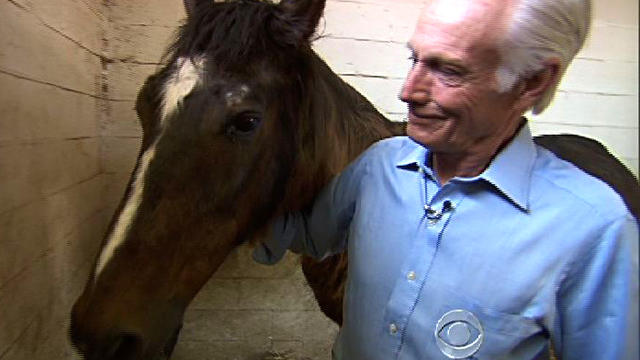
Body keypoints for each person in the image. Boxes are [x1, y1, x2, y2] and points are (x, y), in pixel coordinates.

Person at [254, 0, 639, 358]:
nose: (408, 92)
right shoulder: (379, 165)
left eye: (449, 71)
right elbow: (306, 233)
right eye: (414, 59)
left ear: (532, 81)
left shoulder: (595, 229)